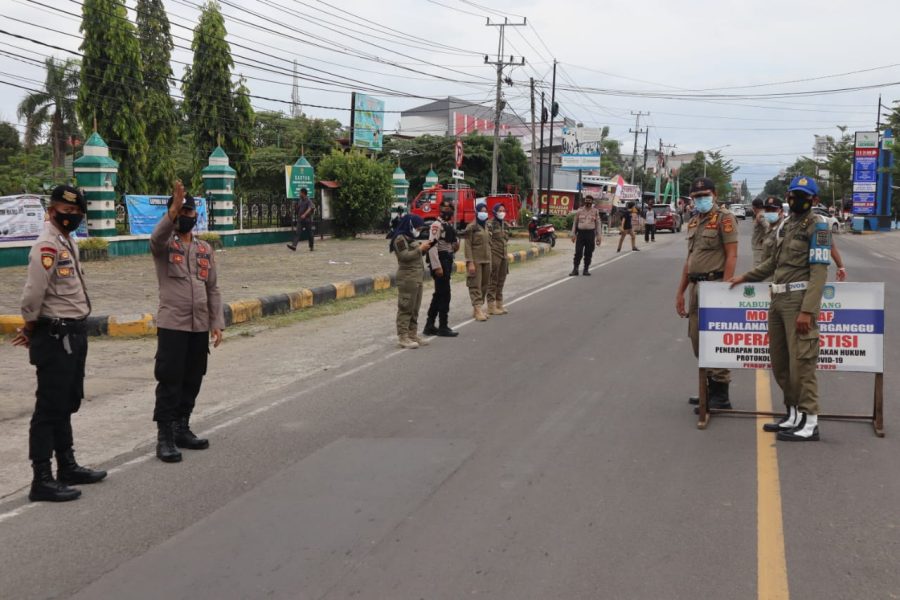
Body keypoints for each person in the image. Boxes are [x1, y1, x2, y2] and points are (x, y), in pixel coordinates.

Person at [13, 185, 106, 502]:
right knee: (49, 408)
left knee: (66, 402)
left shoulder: (66, 241)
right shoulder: (46, 246)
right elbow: (32, 295)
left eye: (77, 213)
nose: (72, 218)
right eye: (66, 213)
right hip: (55, 335)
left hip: (73, 332)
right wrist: (30, 326)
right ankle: (41, 478)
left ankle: (66, 465)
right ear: (51, 211)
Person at [730, 176, 830, 441]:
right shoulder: (786, 226)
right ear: (788, 196)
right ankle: (794, 414)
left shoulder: (817, 227)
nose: (797, 199)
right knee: (781, 362)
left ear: (814, 200)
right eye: (794, 194)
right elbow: (771, 263)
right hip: (777, 299)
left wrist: (807, 310)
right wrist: (744, 277)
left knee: (802, 364)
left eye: (804, 195)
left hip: (798, 300)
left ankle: (810, 422)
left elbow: (819, 273)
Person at [150, 181, 224, 463]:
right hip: (173, 325)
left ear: (195, 216)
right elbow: (156, 237)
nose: (186, 215)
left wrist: (216, 322)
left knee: (193, 377)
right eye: (181, 210)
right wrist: (171, 212)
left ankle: (182, 427)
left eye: (189, 211)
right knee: (169, 381)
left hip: (199, 326)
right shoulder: (164, 246)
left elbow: (213, 288)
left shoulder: (205, 248)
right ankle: (165, 436)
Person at [675, 177, 738, 411]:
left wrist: (724, 289)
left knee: (714, 339)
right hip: (695, 287)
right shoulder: (693, 223)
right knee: (697, 339)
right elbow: (689, 261)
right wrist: (680, 292)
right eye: (696, 196)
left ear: (714, 194)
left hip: (714, 286)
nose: (701, 199)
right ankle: (707, 388)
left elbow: (732, 255)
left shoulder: (725, 218)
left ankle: (721, 393)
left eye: (705, 195)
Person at [389, 214, 432, 348]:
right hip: (407, 278)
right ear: (410, 225)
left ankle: (412, 334)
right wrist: (420, 249)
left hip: (417, 277)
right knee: (405, 307)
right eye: (417, 227)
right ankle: (403, 337)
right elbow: (404, 256)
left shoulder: (410, 238)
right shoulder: (399, 238)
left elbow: (415, 255)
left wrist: (425, 249)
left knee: (415, 308)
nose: (418, 230)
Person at [423, 199, 459, 337]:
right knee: (445, 294)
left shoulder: (447, 225)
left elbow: (451, 244)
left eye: (450, 207)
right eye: (444, 207)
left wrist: (455, 247)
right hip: (440, 261)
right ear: (439, 209)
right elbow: (432, 247)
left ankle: (430, 325)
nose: (447, 210)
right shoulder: (436, 225)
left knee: (439, 294)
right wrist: (437, 267)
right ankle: (443, 326)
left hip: (447, 259)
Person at [464, 202, 493, 321]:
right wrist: (470, 262)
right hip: (476, 260)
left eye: (486, 211)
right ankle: (477, 309)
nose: (484, 213)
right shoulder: (471, 227)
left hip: (486, 259)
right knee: (475, 285)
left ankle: (479, 308)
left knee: (484, 285)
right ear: (476, 212)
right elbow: (467, 245)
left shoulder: (486, 226)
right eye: (482, 210)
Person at [486, 203, 511, 315]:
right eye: (500, 210)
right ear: (495, 211)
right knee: (493, 280)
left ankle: (499, 304)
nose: (502, 212)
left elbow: (506, 239)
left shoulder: (505, 224)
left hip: (504, 255)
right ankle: (491, 306)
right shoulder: (490, 224)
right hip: (494, 254)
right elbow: (487, 240)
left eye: (503, 210)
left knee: (501, 280)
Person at [569, 196, 602, 276]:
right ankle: (575, 269)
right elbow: (575, 223)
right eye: (587, 200)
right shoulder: (579, 211)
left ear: (592, 202)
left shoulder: (595, 211)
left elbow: (598, 224)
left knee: (588, 252)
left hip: (590, 234)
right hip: (580, 234)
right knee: (578, 252)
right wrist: (573, 234)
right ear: (585, 201)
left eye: (590, 200)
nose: (588, 202)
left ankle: (586, 269)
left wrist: (599, 236)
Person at [287, 187, 315, 252]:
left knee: (310, 234)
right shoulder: (300, 200)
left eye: (300, 192)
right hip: (300, 220)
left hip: (307, 220)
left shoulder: (308, 200)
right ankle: (294, 246)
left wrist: (305, 214)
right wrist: (294, 209)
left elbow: (310, 208)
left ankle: (311, 246)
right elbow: (298, 209)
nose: (299, 194)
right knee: (297, 233)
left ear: (303, 193)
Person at [751, 198, 768, 267]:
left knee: (756, 271)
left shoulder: (761, 216)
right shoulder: (762, 214)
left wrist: (765, 239)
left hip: (760, 249)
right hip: (760, 248)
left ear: (754, 207)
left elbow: (768, 228)